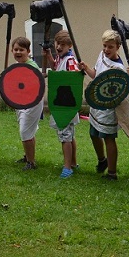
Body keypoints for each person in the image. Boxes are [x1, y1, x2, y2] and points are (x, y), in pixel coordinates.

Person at [82, 29, 129, 181]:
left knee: (109, 138)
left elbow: (118, 93)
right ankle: (102, 161)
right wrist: (86, 68)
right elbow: (95, 75)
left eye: (110, 47)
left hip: (109, 108)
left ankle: (112, 173)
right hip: (96, 103)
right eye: (104, 46)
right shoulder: (102, 55)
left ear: (118, 47)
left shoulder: (119, 69)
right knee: (93, 134)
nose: (106, 49)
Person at [44, 30, 84, 179]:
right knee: (69, 135)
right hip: (62, 102)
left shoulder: (70, 60)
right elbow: (56, 68)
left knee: (65, 135)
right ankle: (72, 163)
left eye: (62, 44)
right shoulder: (61, 58)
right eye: (57, 43)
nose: (59, 47)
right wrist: (48, 55)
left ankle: (67, 167)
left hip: (66, 104)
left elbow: (73, 79)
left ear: (69, 46)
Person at [10, 36, 41, 171]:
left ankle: (31, 162)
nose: (18, 52)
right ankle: (28, 156)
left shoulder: (31, 67)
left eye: (21, 50)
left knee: (25, 131)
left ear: (28, 51)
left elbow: (33, 86)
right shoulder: (17, 66)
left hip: (32, 103)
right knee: (28, 131)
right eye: (15, 49)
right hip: (21, 103)